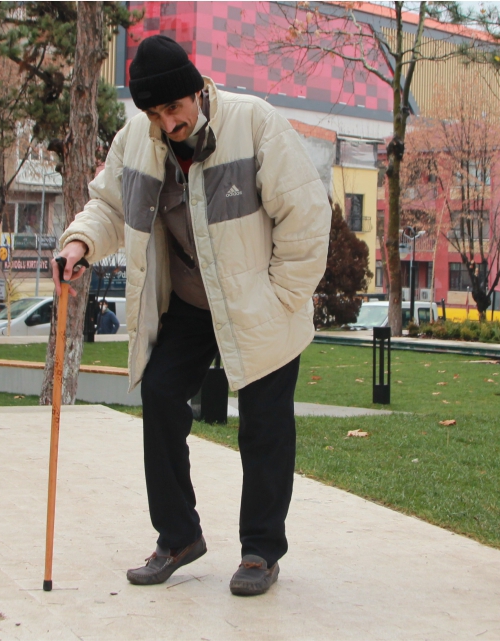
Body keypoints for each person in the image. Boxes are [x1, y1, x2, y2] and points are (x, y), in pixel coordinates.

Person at [53, 35, 330, 597]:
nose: (167, 123)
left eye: (174, 109)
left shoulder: (253, 125)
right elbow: (108, 204)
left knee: (265, 424)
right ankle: (178, 537)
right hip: (189, 301)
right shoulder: (136, 139)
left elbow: (306, 217)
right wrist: (79, 242)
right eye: (154, 113)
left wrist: (280, 300)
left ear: (198, 90)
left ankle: (259, 552)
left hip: (258, 302)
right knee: (158, 393)